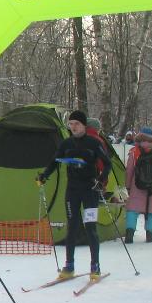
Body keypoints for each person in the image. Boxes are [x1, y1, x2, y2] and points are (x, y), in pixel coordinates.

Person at [37, 110, 111, 282]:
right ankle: (69, 266)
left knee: (91, 228)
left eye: (76, 124)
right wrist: (44, 175)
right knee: (72, 227)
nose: (73, 127)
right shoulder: (66, 143)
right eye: (71, 124)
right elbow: (54, 162)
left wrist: (101, 179)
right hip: (73, 190)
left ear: (84, 125)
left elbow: (107, 164)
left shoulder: (94, 142)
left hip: (90, 190)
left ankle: (95, 266)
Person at [124, 127, 152, 243]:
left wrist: (128, 185)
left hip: (137, 185)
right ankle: (150, 235)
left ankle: (129, 234)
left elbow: (129, 170)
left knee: (132, 210)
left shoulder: (134, 151)